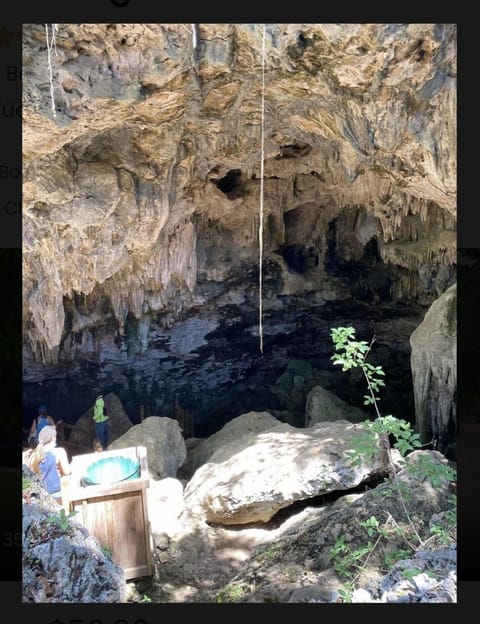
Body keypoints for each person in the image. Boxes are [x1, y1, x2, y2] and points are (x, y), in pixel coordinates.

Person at [28, 425, 71, 502]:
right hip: (57, 493)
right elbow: (67, 472)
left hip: (41, 497)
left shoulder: (33, 456)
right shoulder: (59, 452)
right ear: (53, 438)